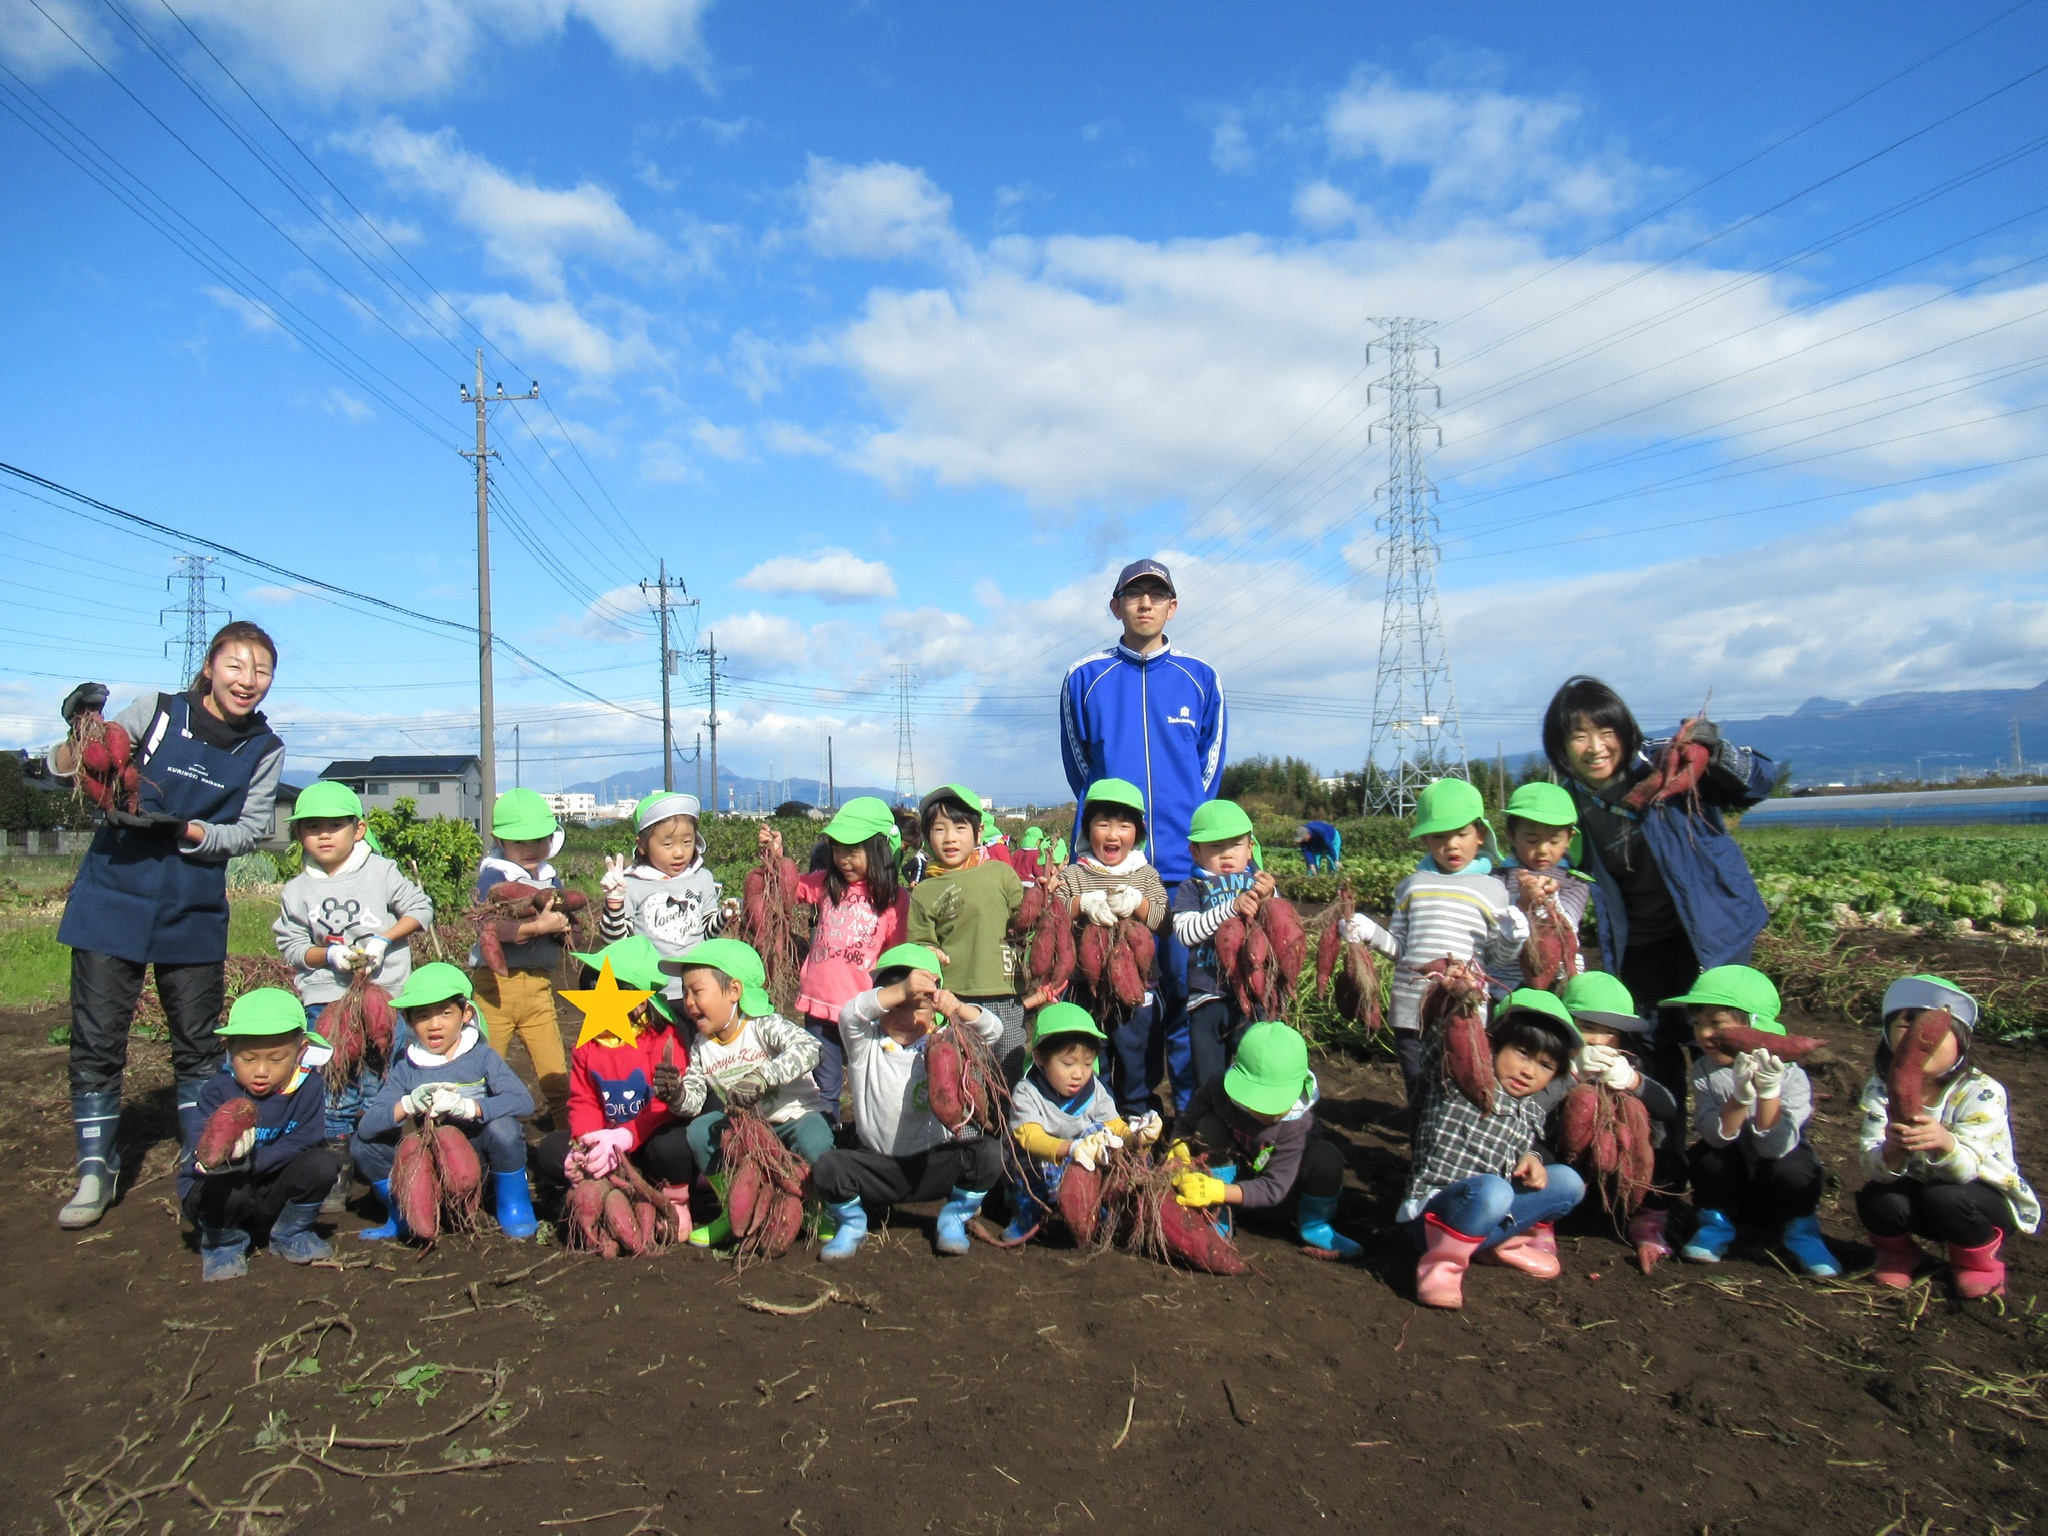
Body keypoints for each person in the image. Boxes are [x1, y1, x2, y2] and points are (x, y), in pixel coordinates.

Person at [47, 622, 286, 1229]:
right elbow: (74, 767)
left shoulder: (264, 749)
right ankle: (95, 1171)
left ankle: (199, 1160)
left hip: (192, 903)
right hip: (111, 894)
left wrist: (191, 832)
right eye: (237, 666)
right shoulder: (156, 711)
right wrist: (83, 743)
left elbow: (251, 830)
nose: (247, 681)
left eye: (261, 672)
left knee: (198, 1044)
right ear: (210, 667)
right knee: (98, 1040)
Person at [1542, 676, 1774, 1115]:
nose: (1595, 747)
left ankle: (1732, 1142)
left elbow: (1760, 780)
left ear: (1625, 732)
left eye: (1606, 732)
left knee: (1722, 1038)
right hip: (1640, 939)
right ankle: (1666, 1154)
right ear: (1561, 746)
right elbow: (1546, 854)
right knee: (1650, 1042)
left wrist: (1717, 753)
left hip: (1710, 929)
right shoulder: (1569, 804)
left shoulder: (1664, 760)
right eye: (1579, 736)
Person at [1059, 559, 1227, 1131]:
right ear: (1116, 607)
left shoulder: (1201, 677)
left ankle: (1188, 1119)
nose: (1146, 604)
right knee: (1104, 994)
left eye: (1157, 595)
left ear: (1172, 607)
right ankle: (1103, 1116)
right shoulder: (1086, 677)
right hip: (1107, 872)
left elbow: (1208, 769)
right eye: (1134, 595)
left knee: (1183, 996)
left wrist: (1180, 828)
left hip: (1181, 871)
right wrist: (1114, 828)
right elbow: (1080, 767)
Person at [273, 780, 433, 1212]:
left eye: (335, 825)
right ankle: (337, 1171)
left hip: (385, 997)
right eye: (312, 827)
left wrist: (384, 939)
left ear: (358, 829)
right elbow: (290, 946)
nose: (324, 835)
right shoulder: (296, 890)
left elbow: (421, 909)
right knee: (334, 1085)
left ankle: (385, 1163)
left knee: (384, 1077)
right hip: (327, 1002)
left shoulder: (381, 872)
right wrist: (327, 955)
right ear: (299, 834)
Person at [1340, 779, 1528, 1108]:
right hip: (1411, 1014)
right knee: (1420, 1095)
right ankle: (1419, 1159)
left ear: (1480, 835)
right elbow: (1401, 949)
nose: (1451, 845)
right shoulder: (1411, 886)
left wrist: (1513, 937)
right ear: (1425, 839)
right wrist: (1369, 933)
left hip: (1465, 1012)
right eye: (1439, 836)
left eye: (1461, 834)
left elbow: (1496, 959)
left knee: (1459, 1097)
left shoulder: (1493, 889)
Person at [812, 945, 1005, 1260]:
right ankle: (852, 1222)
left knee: (988, 1153)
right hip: (877, 1168)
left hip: (933, 1165)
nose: (906, 1018)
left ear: (936, 1011)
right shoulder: (865, 1044)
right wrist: (902, 990)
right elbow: (850, 1012)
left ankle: (954, 1216)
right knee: (828, 1167)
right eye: (896, 1006)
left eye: (918, 1007)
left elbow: (993, 1031)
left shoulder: (944, 1041)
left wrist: (957, 1007)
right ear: (881, 1004)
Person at [1402, 990, 1587, 1309]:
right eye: (1523, 1053)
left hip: (1487, 1213)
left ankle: (1505, 1243)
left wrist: (1530, 1158)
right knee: (1493, 1190)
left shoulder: (1529, 1109)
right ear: (1491, 1044)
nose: (1530, 1071)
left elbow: (1510, 1151)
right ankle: (1441, 1267)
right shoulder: (1458, 1082)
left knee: (1569, 1182)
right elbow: (1438, 1046)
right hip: (1433, 1218)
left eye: (1545, 1065)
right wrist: (1456, 1001)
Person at [1857, 975, 2037, 1300]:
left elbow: (1964, 1172)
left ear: (1961, 1041)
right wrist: (1892, 1149)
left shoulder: (1982, 1092)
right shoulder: (1879, 1088)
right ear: (1886, 1036)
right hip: (1919, 1195)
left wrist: (1944, 1142)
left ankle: (1978, 1264)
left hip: (1981, 1201)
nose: (1917, 1042)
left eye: (1931, 1036)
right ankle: (1899, 1254)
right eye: (1904, 1029)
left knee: (1944, 1196)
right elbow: (1874, 1169)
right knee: (1877, 1198)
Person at [1669, 966, 1839, 1277]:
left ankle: (1802, 1232)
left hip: (1775, 1185)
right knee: (1708, 1158)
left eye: (1717, 1024)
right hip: (1732, 1185)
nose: (1705, 1034)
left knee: (1794, 1165)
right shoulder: (1705, 1070)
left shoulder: (1791, 1076)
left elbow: (1775, 1147)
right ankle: (1715, 1226)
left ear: (1755, 1027)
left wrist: (1768, 1092)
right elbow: (1715, 1135)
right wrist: (1740, 1098)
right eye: (1697, 1023)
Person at [352, 962, 538, 1242]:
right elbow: (368, 1126)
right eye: (423, 1016)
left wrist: (471, 1108)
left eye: (445, 1013)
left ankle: (514, 1206)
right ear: (409, 1021)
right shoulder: (407, 1068)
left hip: (478, 1161)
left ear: (465, 1014)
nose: (434, 1024)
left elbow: (523, 1101)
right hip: (431, 1162)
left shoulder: (482, 1057)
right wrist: (408, 1104)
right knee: (363, 1144)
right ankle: (402, 1214)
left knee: (503, 1128)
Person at [761, 797, 909, 1129]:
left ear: (879, 850)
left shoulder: (895, 899)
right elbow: (788, 888)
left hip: (863, 1009)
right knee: (824, 1084)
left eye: (852, 850)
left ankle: (869, 1135)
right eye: (838, 849)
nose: (843, 859)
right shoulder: (828, 885)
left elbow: (895, 956)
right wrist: (776, 857)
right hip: (817, 1003)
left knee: (869, 1079)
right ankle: (828, 1138)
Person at [536, 937, 697, 1238]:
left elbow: (665, 1105)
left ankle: (674, 1201)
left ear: (638, 999)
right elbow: (583, 1100)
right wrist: (587, 1144)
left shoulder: (663, 1038)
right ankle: (604, 1188)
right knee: (550, 1151)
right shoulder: (588, 1045)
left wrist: (625, 1135)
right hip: (609, 1149)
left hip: (649, 1141)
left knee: (672, 1146)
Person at [656, 937, 835, 1207]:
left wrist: (763, 1077)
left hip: (794, 1118)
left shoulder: (763, 1025)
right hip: (746, 1128)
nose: (689, 1002)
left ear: (734, 991)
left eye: (697, 991)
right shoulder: (701, 1047)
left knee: (814, 1141)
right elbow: (692, 1103)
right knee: (699, 1131)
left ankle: (823, 1208)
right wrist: (675, 1092)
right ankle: (735, 1207)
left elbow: (811, 1048)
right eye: (685, 992)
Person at [179, 987, 337, 1281]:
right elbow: (202, 1155)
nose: (261, 1071)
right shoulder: (217, 1091)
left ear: (300, 1051)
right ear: (229, 1049)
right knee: (228, 1182)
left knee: (323, 1164)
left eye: (276, 1059)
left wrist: (253, 1161)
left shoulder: (309, 1086)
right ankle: (222, 1243)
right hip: (218, 1196)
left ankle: (290, 1231)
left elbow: (306, 1140)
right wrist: (228, 1158)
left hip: (268, 1190)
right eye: (248, 1059)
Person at [1166, 1020, 1359, 1259]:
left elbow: (1274, 1188)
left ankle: (1313, 1225)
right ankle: (1219, 1215)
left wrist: (1219, 1191)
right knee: (1208, 1125)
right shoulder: (1218, 1089)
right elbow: (1187, 1121)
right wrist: (1178, 1146)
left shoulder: (1298, 1125)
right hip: (1228, 1185)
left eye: (1274, 1102)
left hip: (1282, 1199)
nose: (1265, 1112)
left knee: (1326, 1157)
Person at [1002, 1002, 1162, 1244]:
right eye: (1068, 1064)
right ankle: (1027, 1211)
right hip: (1038, 1167)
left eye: (1087, 1063)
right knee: (1024, 1156)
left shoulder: (1095, 1089)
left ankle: (1094, 1208)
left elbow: (1114, 1125)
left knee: (1103, 1136)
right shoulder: (1028, 1092)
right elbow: (1029, 1136)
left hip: (1080, 1167)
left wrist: (1137, 1136)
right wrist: (1071, 1148)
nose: (1078, 1073)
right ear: (1040, 1058)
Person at [1056, 778, 1171, 1104]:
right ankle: (1098, 1119)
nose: (1112, 834)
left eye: (1123, 825)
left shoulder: (1145, 875)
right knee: (1092, 1058)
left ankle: (1138, 1114)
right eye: (1102, 824)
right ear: (1087, 829)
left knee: (1138, 1057)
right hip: (1085, 988)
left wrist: (1139, 903)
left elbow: (1165, 924)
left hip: (1140, 987)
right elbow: (1056, 918)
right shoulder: (1074, 875)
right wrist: (1081, 904)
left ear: (1138, 832)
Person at [1561, 970, 1682, 1270]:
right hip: (1570, 1174)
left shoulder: (1630, 1063)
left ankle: (1647, 1224)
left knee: (1671, 1165)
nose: (1599, 1040)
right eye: (1588, 1027)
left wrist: (1633, 1081)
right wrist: (1571, 1076)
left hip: (1621, 1182)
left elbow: (1669, 1108)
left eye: (1610, 1032)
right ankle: (1538, 1224)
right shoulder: (1551, 1059)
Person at [905, 783, 1026, 1074]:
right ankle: (970, 1123)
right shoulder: (925, 891)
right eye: (939, 829)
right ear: (926, 836)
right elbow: (919, 942)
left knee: (1009, 1073)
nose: (950, 838)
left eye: (960, 828)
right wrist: (928, 951)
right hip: (956, 999)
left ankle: (1009, 1121)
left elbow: (1026, 923)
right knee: (967, 1080)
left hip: (1006, 992)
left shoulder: (1001, 874)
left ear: (978, 833)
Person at [471, 787, 574, 1126]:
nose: (531, 849)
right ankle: (481, 1135)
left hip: (538, 987)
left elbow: (562, 912)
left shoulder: (549, 876)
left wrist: (566, 927)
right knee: (483, 1068)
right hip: (495, 989)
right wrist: (539, 926)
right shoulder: (494, 877)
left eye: (539, 840)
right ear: (499, 840)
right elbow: (491, 927)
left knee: (555, 1071)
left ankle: (569, 1135)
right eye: (520, 843)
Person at [1169, 799, 1275, 1114]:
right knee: (1210, 1080)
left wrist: (1271, 899)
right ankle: (1215, 1142)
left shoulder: (1259, 884)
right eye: (1215, 847)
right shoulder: (1193, 887)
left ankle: (1250, 1136)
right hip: (1207, 1001)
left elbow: (1277, 930)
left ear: (1251, 847)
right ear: (1195, 852)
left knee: (1254, 1075)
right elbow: (1185, 933)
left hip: (1253, 999)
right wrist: (1230, 908)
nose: (1227, 854)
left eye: (1236, 844)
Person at [596, 792, 726, 983]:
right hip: (650, 992)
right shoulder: (631, 884)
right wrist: (615, 902)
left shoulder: (702, 878)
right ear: (642, 846)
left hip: (696, 989)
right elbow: (616, 944)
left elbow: (707, 933)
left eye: (687, 842)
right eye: (668, 844)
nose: (679, 852)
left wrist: (725, 915)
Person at [1491, 781, 1589, 996]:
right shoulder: (1496, 879)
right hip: (1505, 989)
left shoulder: (1576, 882)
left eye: (1554, 841)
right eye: (1532, 840)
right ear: (1510, 835)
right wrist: (1522, 903)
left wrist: (1547, 898)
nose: (1543, 850)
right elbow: (1495, 931)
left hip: (1561, 984)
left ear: (1569, 838)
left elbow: (1567, 926)